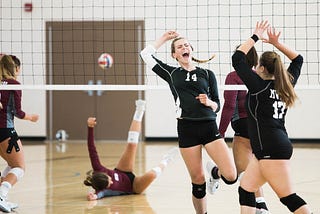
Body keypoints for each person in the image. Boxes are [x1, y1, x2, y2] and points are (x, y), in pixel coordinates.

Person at [140, 31, 237, 214]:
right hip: (187, 128)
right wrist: (165, 38)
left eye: (186, 45)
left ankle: (215, 173)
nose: (184, 48)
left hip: (209, 126)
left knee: (231, 176)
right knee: (198, 180)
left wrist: (209, 103)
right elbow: (145, 54)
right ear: (174, 55)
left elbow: (217, 105)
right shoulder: (171, 73)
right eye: (179, 47)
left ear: (191, 50)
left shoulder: (207, 74)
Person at [232, 20, 312, 214]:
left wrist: (255, 37)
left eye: (258, 65)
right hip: (269, 148)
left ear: (261, 69)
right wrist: (276, 44)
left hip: (271, 149)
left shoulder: (258, 87)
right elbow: (298, 60)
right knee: (246, 189)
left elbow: (237, 59)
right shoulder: (286, 84)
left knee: (288, 197)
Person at [83, 99, 178, 200]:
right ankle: (166, 160)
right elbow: (99, 195)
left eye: (109, 179)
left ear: (103, 174)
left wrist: (90, 127)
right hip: (133, 187)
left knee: (131, 145)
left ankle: (139, 110)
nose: (111, 182)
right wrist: (94, 196)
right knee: (152, 175)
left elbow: (91, 149)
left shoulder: (98, 168)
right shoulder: (102, 190)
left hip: (122, 171)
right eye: (109, 184)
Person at [219, 46, 270, 214]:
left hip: (242, 126)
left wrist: (220, 133)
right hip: (261, 128)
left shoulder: (234, 76)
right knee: (252, 168)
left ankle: (215, 173)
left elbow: (229, 106)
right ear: (255, 60)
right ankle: (262, 205)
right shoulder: (261, 77)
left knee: (241, 174)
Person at [0, 55, 39, 212]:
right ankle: (1, 195)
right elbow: (17, 111)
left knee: (11, 164)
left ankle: (3, 198)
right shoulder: (13, 84)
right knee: (19, 167)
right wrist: (31, 117)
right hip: (6, 131)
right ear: (14, 68)